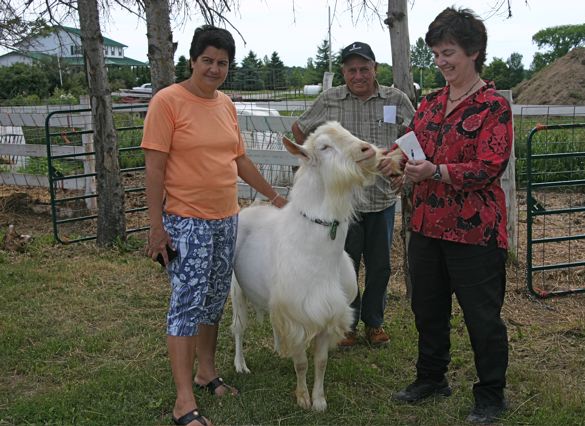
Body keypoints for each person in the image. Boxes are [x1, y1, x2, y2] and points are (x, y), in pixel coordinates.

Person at [142, 26, 286, 426]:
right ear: (192, 61)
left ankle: (207, 373)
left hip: (227, 220)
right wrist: (156, 228)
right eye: (207, 60)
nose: (214, 68)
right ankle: (183, 402)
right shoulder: (167, 102)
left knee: (213, 301)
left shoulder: (225, 104)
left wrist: (275, 198)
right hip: (186, 222)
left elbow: (238, 159)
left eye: (222, 63)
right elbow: (153, 169)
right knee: (185, 308)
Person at [391, 7, 512, 425]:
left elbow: (489, 165)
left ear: (474, 52)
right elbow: (409, 145)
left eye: (449, 53)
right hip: (426, 225)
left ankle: (491, 394)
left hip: (475, 231)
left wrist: (436, 171)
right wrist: (397, 162)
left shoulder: (493, 106)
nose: (441, 62)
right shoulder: (429, 104)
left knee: (482, 317)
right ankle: (431, 378)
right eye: (437, 54)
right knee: (427, 308)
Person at [292, 42, 415, 347]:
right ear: (344, 72)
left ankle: (374, 322)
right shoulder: (330, 100)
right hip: (342, 204)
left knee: (380, 265)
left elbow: (417, 138)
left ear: (375, 68)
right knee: (343, 263)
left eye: (364, 68)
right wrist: (320, 167)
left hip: (381, 199)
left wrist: (403, 166)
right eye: (351, 70)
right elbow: (300, 129)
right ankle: (347, 324)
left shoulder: (396, 99)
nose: (358, 75)